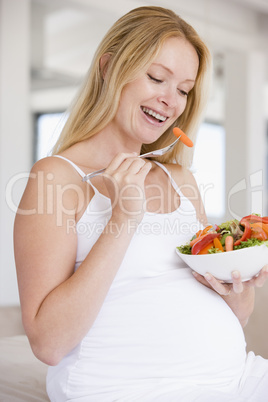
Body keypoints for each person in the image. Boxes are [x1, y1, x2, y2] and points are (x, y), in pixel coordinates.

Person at [14, 6, 268, 402]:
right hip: (129, 389)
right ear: (109, 67)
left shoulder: (181, 181)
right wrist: (123, 218)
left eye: (184, 90)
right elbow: (48, 344)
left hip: (238, 380)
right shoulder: (57, 177)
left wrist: (238, 288)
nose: (170, 101)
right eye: (156, 78)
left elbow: (236, 317)